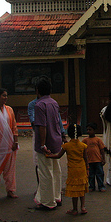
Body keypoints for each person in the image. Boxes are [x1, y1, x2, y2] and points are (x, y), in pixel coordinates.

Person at [34, 76, 63, 210]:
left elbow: (42, 126)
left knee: (46, 172)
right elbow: (57, 122)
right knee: (56, 170)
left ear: (37, 90)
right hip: (56, 141)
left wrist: (42, 144)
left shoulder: (39, 105)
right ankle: (57, 196)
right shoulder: (54, 103)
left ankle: (48, 202)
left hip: (46, 143)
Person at [46, 124, 89, 215]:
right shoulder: (83, 146)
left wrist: (49, 156)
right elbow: (85, 158)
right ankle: (83, 207)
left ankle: (75, 209)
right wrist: (87, 168)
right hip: (82, 169)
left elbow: (58, 156)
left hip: (72, 170)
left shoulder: (66, 146)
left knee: (74, 191)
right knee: (82, 190)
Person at [27, 94, 66, 183]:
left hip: (51, 134)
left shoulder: (51, 103)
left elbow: (57, 119)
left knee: (54, 162)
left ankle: (54, 188)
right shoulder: (35, 104)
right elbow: (38, 124)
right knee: (39, 163)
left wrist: (62, 133)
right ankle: (41, 187)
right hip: (43, 134)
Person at [82, 122, 106, 192]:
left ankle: (101, 186)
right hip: (89, 161)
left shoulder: (98, 140)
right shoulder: (85, 140)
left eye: (90, 130)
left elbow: (102, 150)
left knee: (100, 174)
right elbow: (82, 150)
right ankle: (91, 186)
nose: (88, 131)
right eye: (87, 130)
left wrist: (103, 159)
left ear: (94, 130)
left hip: (98, 160)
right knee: (90, 175)